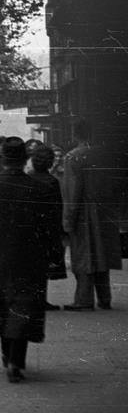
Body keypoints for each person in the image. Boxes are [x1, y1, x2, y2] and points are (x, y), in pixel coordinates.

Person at [0, 137, 62, 383]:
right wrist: (56, 256)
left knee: (3, 307)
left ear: (1, 159)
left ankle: (6, 353)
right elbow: (52, 228)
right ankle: (15, 361)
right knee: (23, 307)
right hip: (32, 259)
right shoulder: (42, 189)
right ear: (25, 160)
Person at [61, 119, 122, 311]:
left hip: (84, 213)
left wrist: (68, 220)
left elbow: (72, 191)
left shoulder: (73, 157)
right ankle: (105, 298)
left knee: (84, 255)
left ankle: (83, 299)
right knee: (102, 255)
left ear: (75, 134)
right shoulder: (106, 155)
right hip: (105, 211)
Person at [28, 144, 67, 311]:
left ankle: (32, 299)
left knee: (30, 266)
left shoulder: (27, 178)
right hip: (47, 228)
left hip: (29, 228)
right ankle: (40, 299)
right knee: (43, 267)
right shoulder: (52, 182)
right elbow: (57, 208)